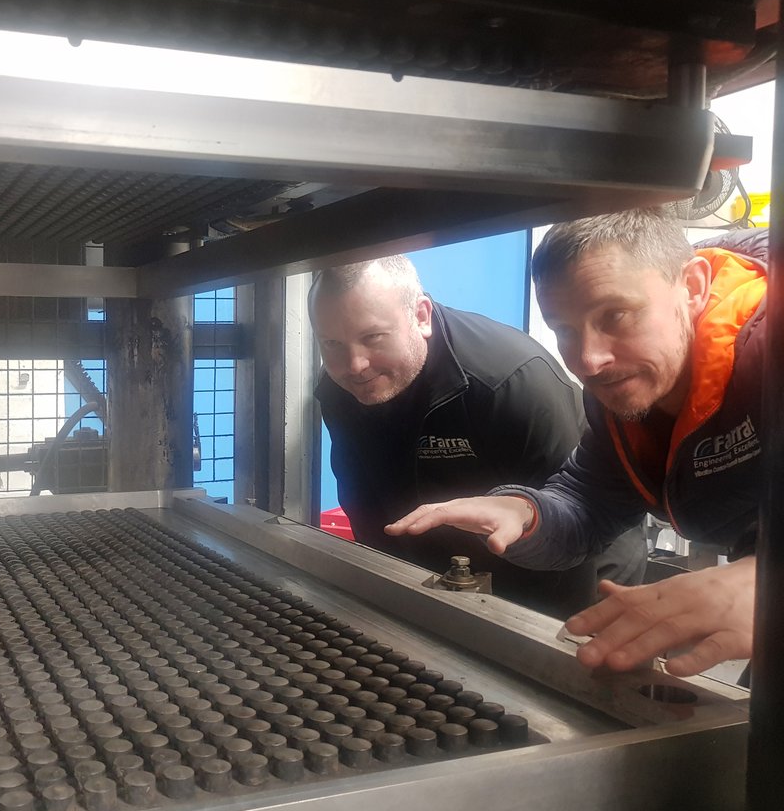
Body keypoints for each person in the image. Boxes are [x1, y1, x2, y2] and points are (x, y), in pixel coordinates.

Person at [386, 209, 766, 677]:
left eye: (616, 316)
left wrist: (763, 582)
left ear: (693, 286)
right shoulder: (623, 394)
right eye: (564, 329)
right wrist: (528, 513)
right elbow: (591, 505)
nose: (587, 360)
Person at [311, 255, 646, 619]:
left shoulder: (512, 381)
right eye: (332, 344)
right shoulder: (338, 387)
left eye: (373, 337)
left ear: (421, 316)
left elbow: (575, 524)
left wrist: (550, 638)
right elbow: (365, 507)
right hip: (458, 570)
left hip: (581, 569)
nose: (355, 365)